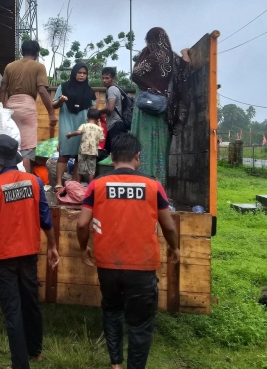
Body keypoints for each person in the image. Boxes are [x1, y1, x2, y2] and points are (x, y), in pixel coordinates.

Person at [75, 134, 181, 369]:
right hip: (142, 267)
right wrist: (175, 247)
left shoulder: (96, 184)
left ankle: (115, 364)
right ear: (137, 157)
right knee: (140, 323)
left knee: (111, 310)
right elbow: (169, 225)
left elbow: (82, 224)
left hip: (107, 264)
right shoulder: (153, 186)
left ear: (111, 157)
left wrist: (84, 248)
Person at [0, 134, 59, 369]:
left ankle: (20, 364)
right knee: (31, 302)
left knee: (12, 310)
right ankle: (36, 351)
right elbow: (46, 218)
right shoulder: (34, 182)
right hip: (29, 253)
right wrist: (52, 246)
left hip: (4, 257)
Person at [130, 27, 191, 185]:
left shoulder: (153, 54)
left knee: (143, 145)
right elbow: (184, 72)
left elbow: (136, 73)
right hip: (164, 110)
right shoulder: (173, 57)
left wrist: (151, 89)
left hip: (146, 110)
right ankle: (159, 186)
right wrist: (185, 53)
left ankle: (143, 183)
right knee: (161, 149)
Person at [0, 39, 57, 173]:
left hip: (10, 107)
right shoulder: (39, 67)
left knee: (10, 145)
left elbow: (2, 89)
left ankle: (7, 180)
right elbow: (42, 90)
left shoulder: (9, 66)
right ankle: (25, 184)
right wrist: (51, 113)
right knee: (26, 148)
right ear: (36, 54)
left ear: (21, 52)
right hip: (28, 107)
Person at [52, 62, 96, 190]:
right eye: (79, 73)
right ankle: (59, 183)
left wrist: (94, 122)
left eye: (84, 73)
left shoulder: (89, 90)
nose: (82, 75)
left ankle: (74, 183)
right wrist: (60, 101)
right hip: (67, 122)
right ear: (74, 73)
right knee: (64, 153)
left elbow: (93, 108)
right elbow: (53, 105)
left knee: (79, 155)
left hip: (83, 124)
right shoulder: (64, 87)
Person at [65, 108, 104, 184]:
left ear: (87, 118)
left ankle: (78, 185)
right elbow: (101, 140)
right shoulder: (99, 129)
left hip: (83, 151)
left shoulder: (84, 125)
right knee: (91, 171)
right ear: (98, 119)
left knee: (80, 170)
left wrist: (70, 135)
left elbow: (78, 132)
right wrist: (99, 125)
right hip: (93, 152)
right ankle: (90, 187)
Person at [100, 67, 133, 153]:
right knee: (116, 151)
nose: (104, 80)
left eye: (107, 78)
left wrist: (98, 112)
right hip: (116, 124)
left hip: (115, 124)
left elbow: (110, 108)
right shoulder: (115, 89)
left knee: (117, 152)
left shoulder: (112, 89)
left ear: (113, 79)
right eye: (103, 78)